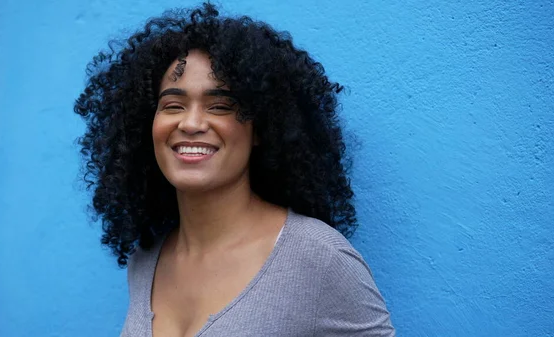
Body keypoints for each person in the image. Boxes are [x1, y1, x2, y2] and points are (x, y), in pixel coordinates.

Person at [74, 3, 395, 336]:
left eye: (220, 106)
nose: (192, 123)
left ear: (260, 129)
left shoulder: (319, 258)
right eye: (173, 105)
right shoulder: (146, 260)